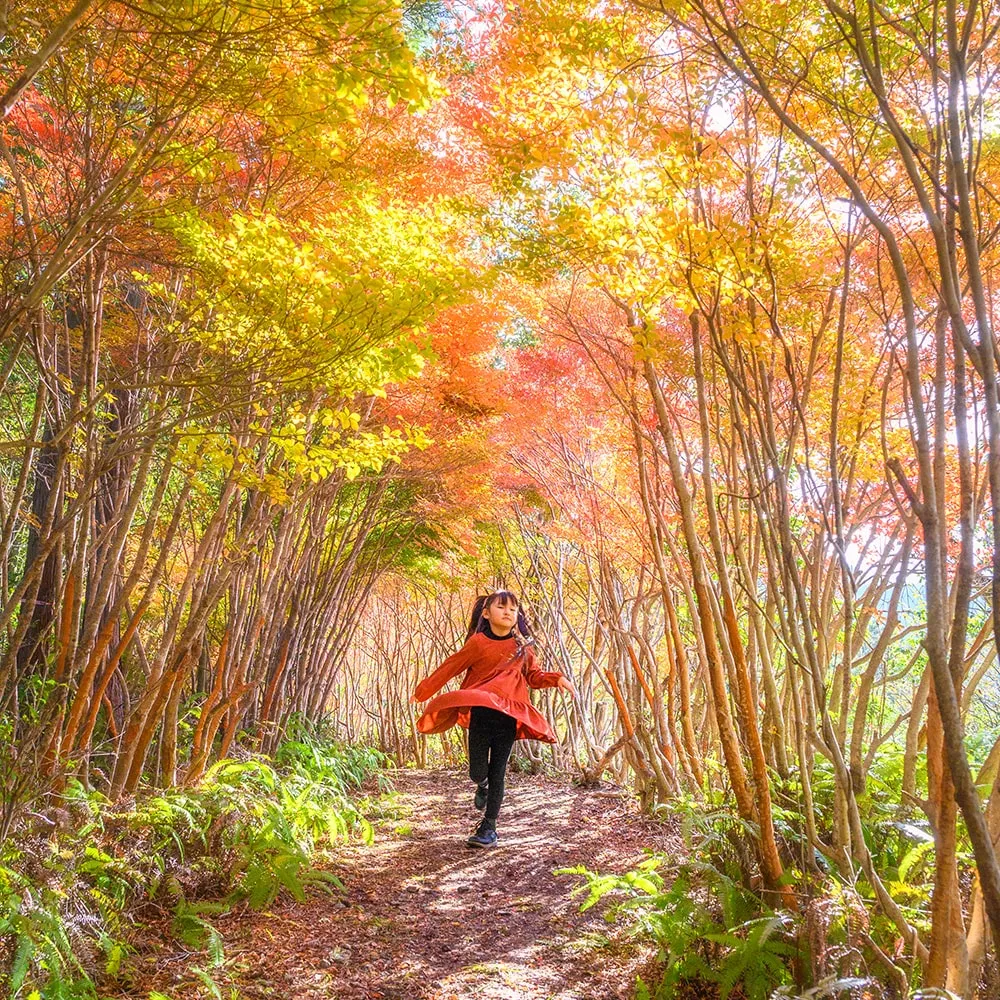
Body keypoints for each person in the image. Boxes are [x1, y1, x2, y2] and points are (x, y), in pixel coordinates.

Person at [412, 590, 577, 848]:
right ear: (486, 613)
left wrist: (557, 679)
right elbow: (450, 667)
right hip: (481, 713)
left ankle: (489, 827)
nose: (508, 612)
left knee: (498, 771)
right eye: (501, 607)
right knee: (477, 770)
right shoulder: (477, 643)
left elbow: (533, 676)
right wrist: (423, 692)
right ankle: (482, 784)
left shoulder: (523, 647)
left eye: (513, 608)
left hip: (508, 717)